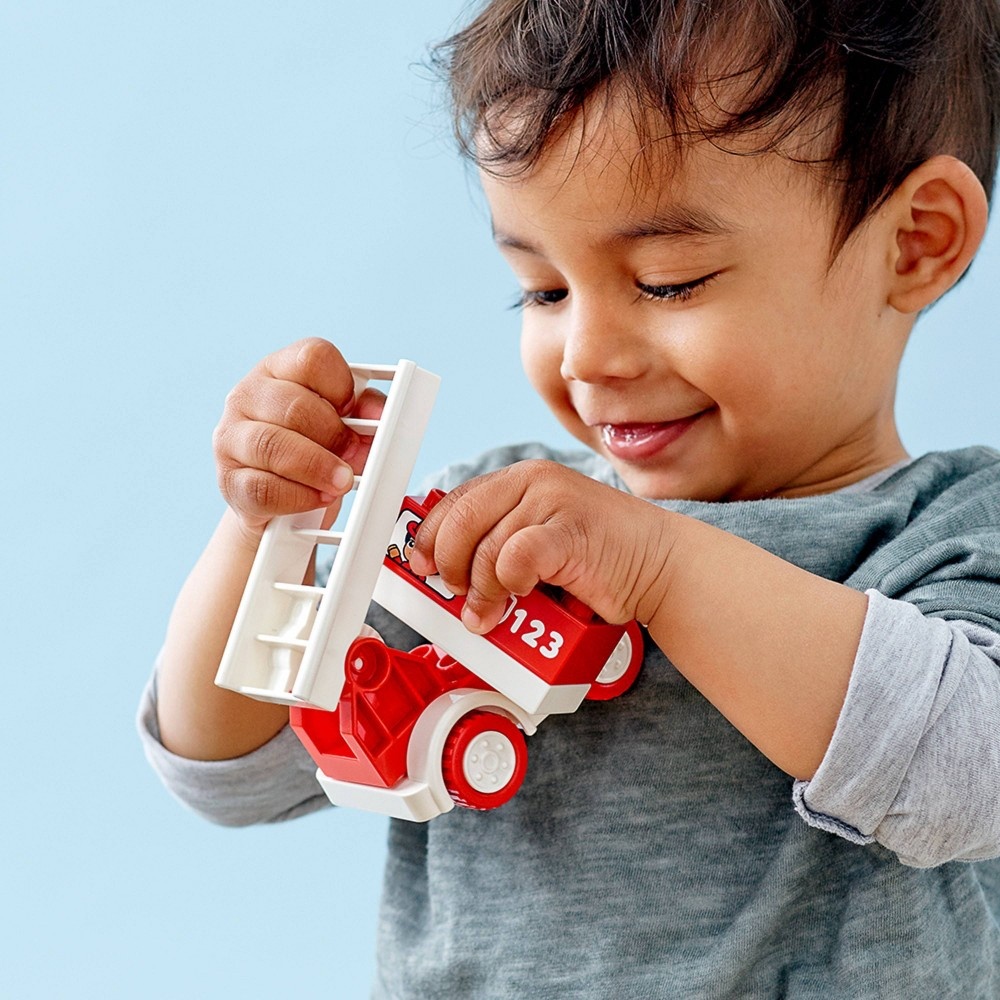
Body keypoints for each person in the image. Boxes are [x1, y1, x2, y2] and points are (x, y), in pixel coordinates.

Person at [138, 1, 1000, 995]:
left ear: (915, 243)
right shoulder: (491, 523)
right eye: (543, 290)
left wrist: (660, 565)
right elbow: (226, 769)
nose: (586, 357)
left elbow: (964, 779)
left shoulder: (948, 527)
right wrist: (266, 524)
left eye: (670, 281)